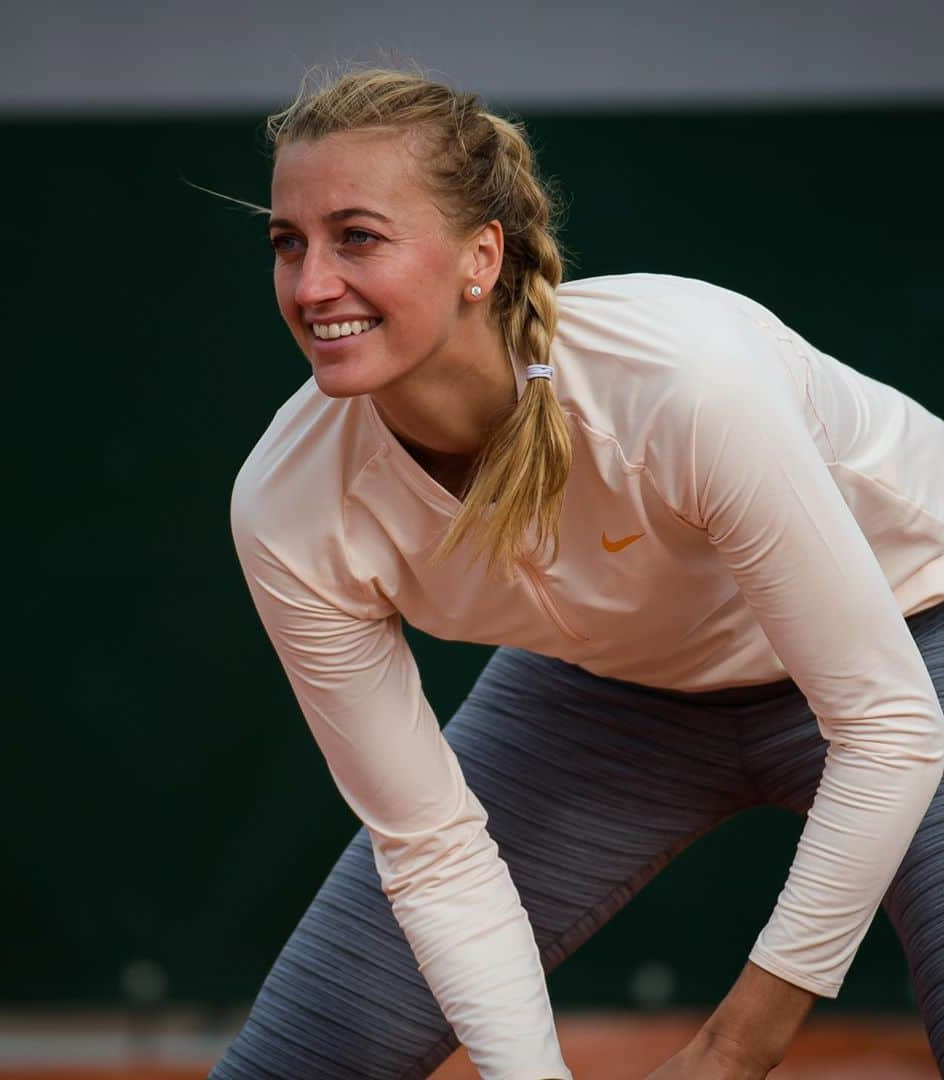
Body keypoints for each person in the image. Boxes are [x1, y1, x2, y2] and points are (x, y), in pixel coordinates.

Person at [209, 62, 944, 1080]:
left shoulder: (682, 384)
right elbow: (434, 853)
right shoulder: (288, 503)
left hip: (915, 634)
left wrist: (733, 1052)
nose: (312, 284)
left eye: (358, 237)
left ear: (481, 258)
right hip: (614, 694)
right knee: (300, 1061)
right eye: (288, 244)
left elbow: (891, 725)